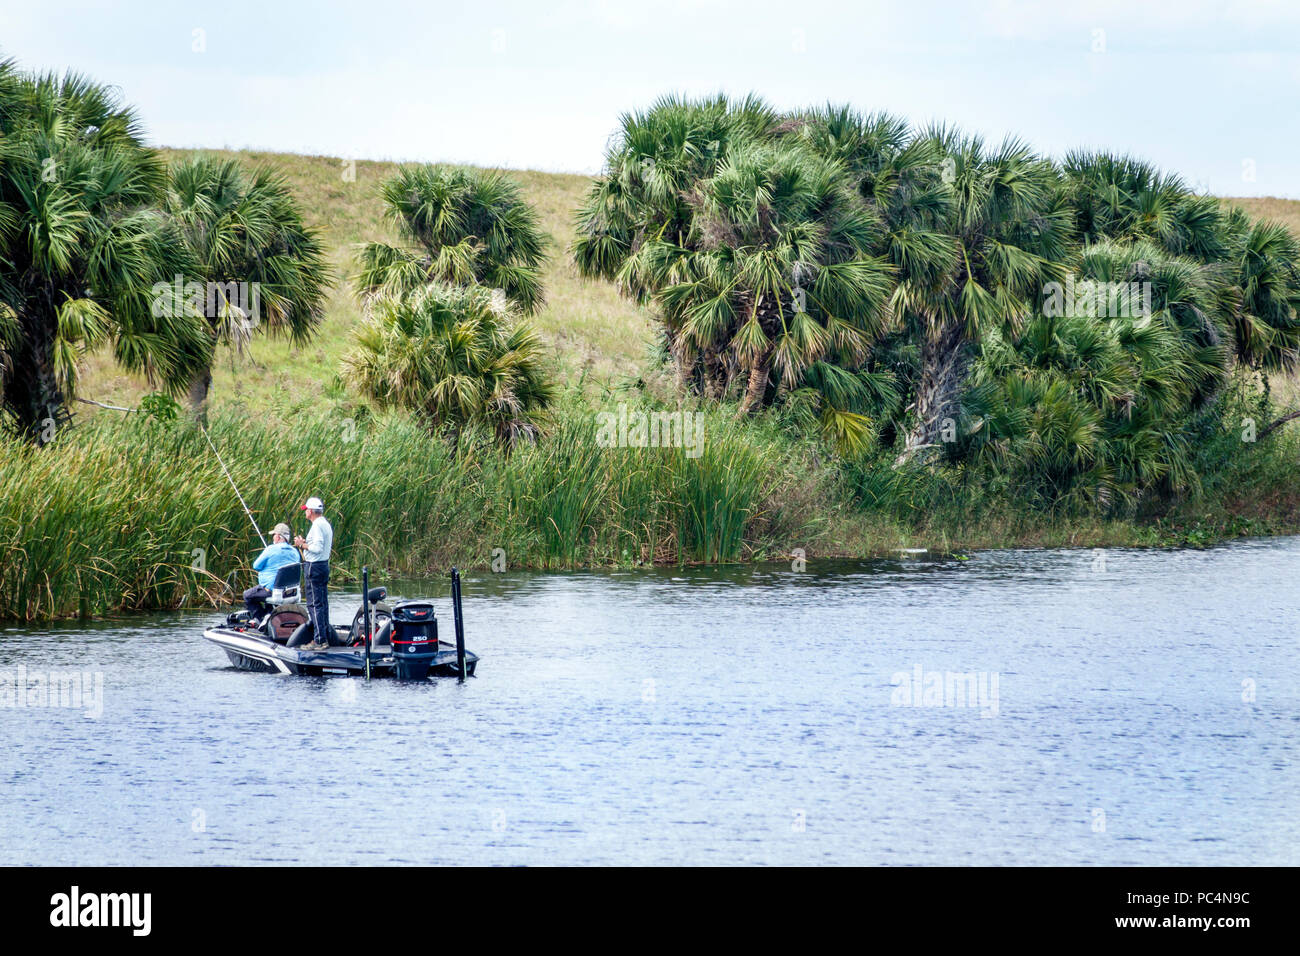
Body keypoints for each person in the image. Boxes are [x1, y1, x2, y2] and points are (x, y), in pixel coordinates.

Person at [294, 496, 334, 650]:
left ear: (310, 511)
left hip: (314, 567)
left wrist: (301, 544)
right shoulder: (325, 524)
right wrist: (306, 543)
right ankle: (325, 636)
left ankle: (319, 640)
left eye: (306, 510)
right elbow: (319, 546)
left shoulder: (317, 525)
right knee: (322, 603)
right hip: (323, 566)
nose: (305, 513)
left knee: (314, 604)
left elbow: (316, 548)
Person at [242, 523, 298, 621]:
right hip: (289, 592)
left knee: (247, 595)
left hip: (272, 591)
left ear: (278, 536)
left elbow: (256, 566)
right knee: (266, 595)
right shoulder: (295, 552)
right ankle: (270, 618)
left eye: (273, 535)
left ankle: (261, 620)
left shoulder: (271, 549)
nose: (273, 538)